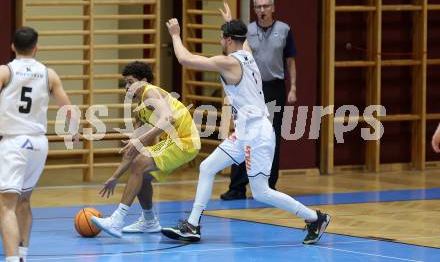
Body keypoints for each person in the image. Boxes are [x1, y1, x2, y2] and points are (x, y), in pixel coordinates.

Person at [161, 18, 330, 245]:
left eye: (222, 37)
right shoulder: (248, 53)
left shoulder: (228, 62)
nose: (220, 41)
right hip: (244, 131)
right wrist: (230, 21)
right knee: (207, 167)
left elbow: (185, 59)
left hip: (257, 133)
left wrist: (175, 34)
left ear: (229, 40)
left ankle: (315, 218)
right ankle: (192, 225)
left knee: (261, 192)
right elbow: (244, 42)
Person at [91, 61, 200, 238]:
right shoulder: (140, 111)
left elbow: (168, 118)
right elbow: (132, 150)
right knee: (141, 170)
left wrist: (141, 139)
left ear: (143, 81)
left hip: (185, 140)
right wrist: (115, 177)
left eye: (130, 81)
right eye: (125, 83)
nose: (126, 87)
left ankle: (117, 220)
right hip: (172, 141)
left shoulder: (150, 92)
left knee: (140, 164)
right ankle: (149, 221)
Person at [0, 27, 77, 262]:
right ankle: (23, 255)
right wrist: (73, 133)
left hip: (14, 142)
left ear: (12, 47)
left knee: (6, 207)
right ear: (36, 48)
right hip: (38, 144)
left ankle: (13, 260)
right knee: (24, 200)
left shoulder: (5, 71)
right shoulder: (49, 74)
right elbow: (68, 109)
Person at [219, 0, 298, 200]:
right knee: (243, 135)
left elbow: (290, 61)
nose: (262, 10)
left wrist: (293, 87)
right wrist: (229, 21)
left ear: (273, 7)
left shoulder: (284, 29)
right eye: (258, 7)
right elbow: (236, 38)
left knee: (271, 136)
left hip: (274, 87)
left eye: (266, 6)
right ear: (255, 9)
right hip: (251, 89)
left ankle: (268, 186)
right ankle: (237, 187)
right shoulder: (248, 31)